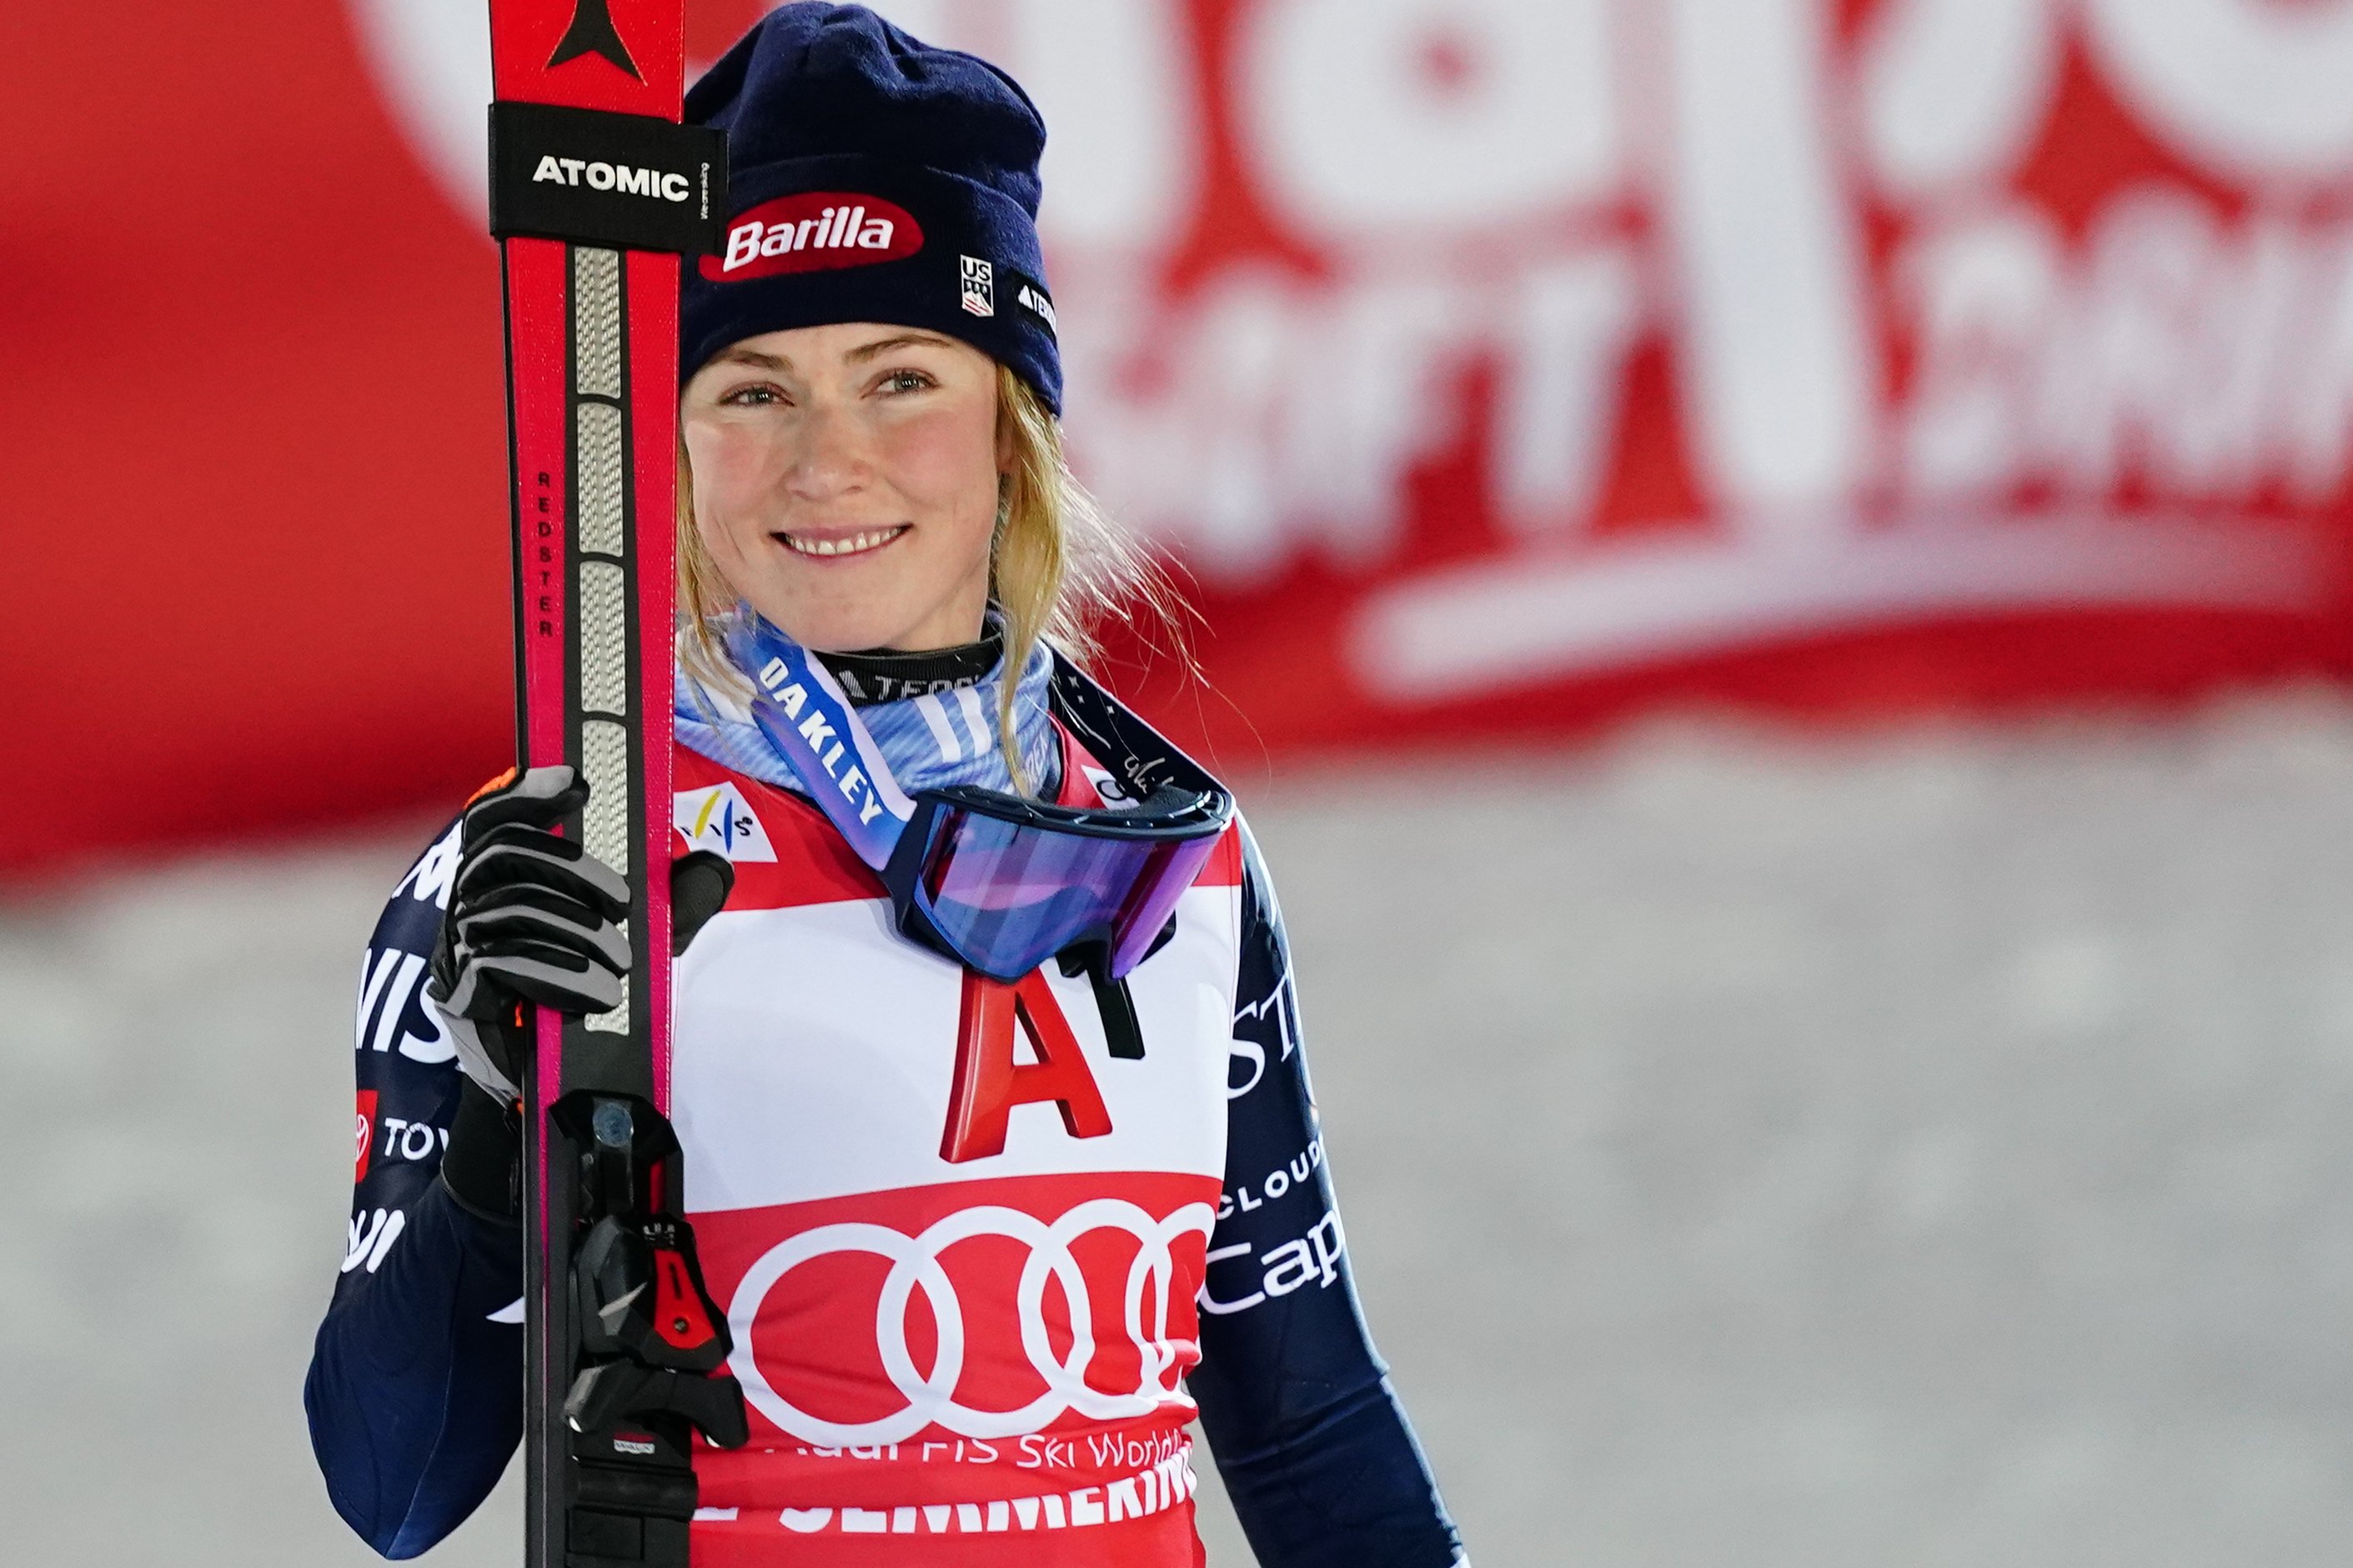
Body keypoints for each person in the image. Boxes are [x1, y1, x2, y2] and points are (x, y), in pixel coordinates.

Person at [305, 8, 1465, 1565]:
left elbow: (1303, 1420)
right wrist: (490, 1147)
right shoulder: (550, 857)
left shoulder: (1168, 854)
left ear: (1013, 427)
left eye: (901, 375)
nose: (824, 460)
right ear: (671, 440)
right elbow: (392, 1483)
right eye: (752, 389)